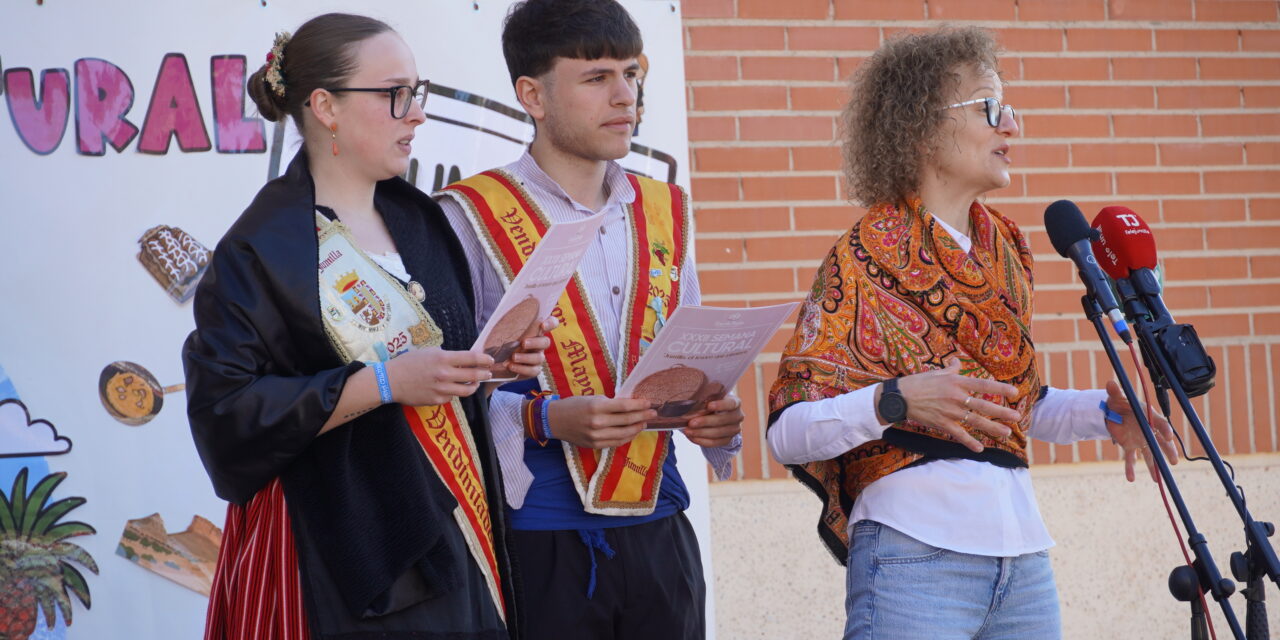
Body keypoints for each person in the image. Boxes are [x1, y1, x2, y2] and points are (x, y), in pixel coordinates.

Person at [766, 27, 1181, 640]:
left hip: (1023, 562)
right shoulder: (862, 257)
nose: (1011, 128)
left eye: (1009, 109)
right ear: (922, 127)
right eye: (990, 108)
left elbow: (1015, 409)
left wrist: (1103, 412)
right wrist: (895, 399)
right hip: (914, 558)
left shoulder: (1008, 248)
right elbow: (787, 432)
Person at [182, 13, 551, 639]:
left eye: (417, 93)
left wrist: (488, 365)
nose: (417, 115)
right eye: (394, 95)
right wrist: (383, 383)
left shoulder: (419, 218)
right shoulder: (261, 249)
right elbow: (227, 415)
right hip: (347, 552)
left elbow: (438, 374)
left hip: (456, 529)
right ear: (325, 106)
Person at [434, 1, 743, 638]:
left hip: (661, 525)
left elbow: (684, 355)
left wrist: (713, 413)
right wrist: (546, 418)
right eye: (597, 77)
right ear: (532, 95)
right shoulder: (467, 216)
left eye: (632, 74)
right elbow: (440, 397)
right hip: (540, 532)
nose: (625, 95)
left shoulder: (665, 209)